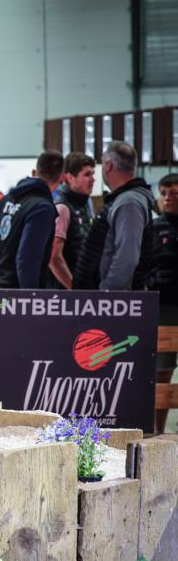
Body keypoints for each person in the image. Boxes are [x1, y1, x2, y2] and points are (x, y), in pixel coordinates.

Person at [73, 142, 153, 292]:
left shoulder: (128, 203)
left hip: (110, 303)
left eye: (102, 164)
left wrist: (107, 294)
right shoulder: (123, 199)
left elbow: (127, 258)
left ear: (108, 165)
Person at [0, 151, 64, 289]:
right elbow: (26, 261)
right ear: (62, 178)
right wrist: (31, 297)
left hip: (0, 286)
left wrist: (8, 249)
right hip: (18, 295)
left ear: (35, 172)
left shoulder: (9, 198)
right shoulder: (42, 208)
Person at [150, 173, 178, 431]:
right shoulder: (155, 227)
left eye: (175, 193)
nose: (169, 198)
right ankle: (158, 430)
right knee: (162, 372)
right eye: (165, 193)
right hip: (165, 307)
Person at [47, 152, 96, 289]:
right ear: (69, 177)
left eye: (93, 174)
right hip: (65, 295)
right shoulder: (62, 208)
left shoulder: (86, 203)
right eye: (87, 174)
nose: (93, 179)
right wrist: (74, 290)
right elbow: (53, 257)